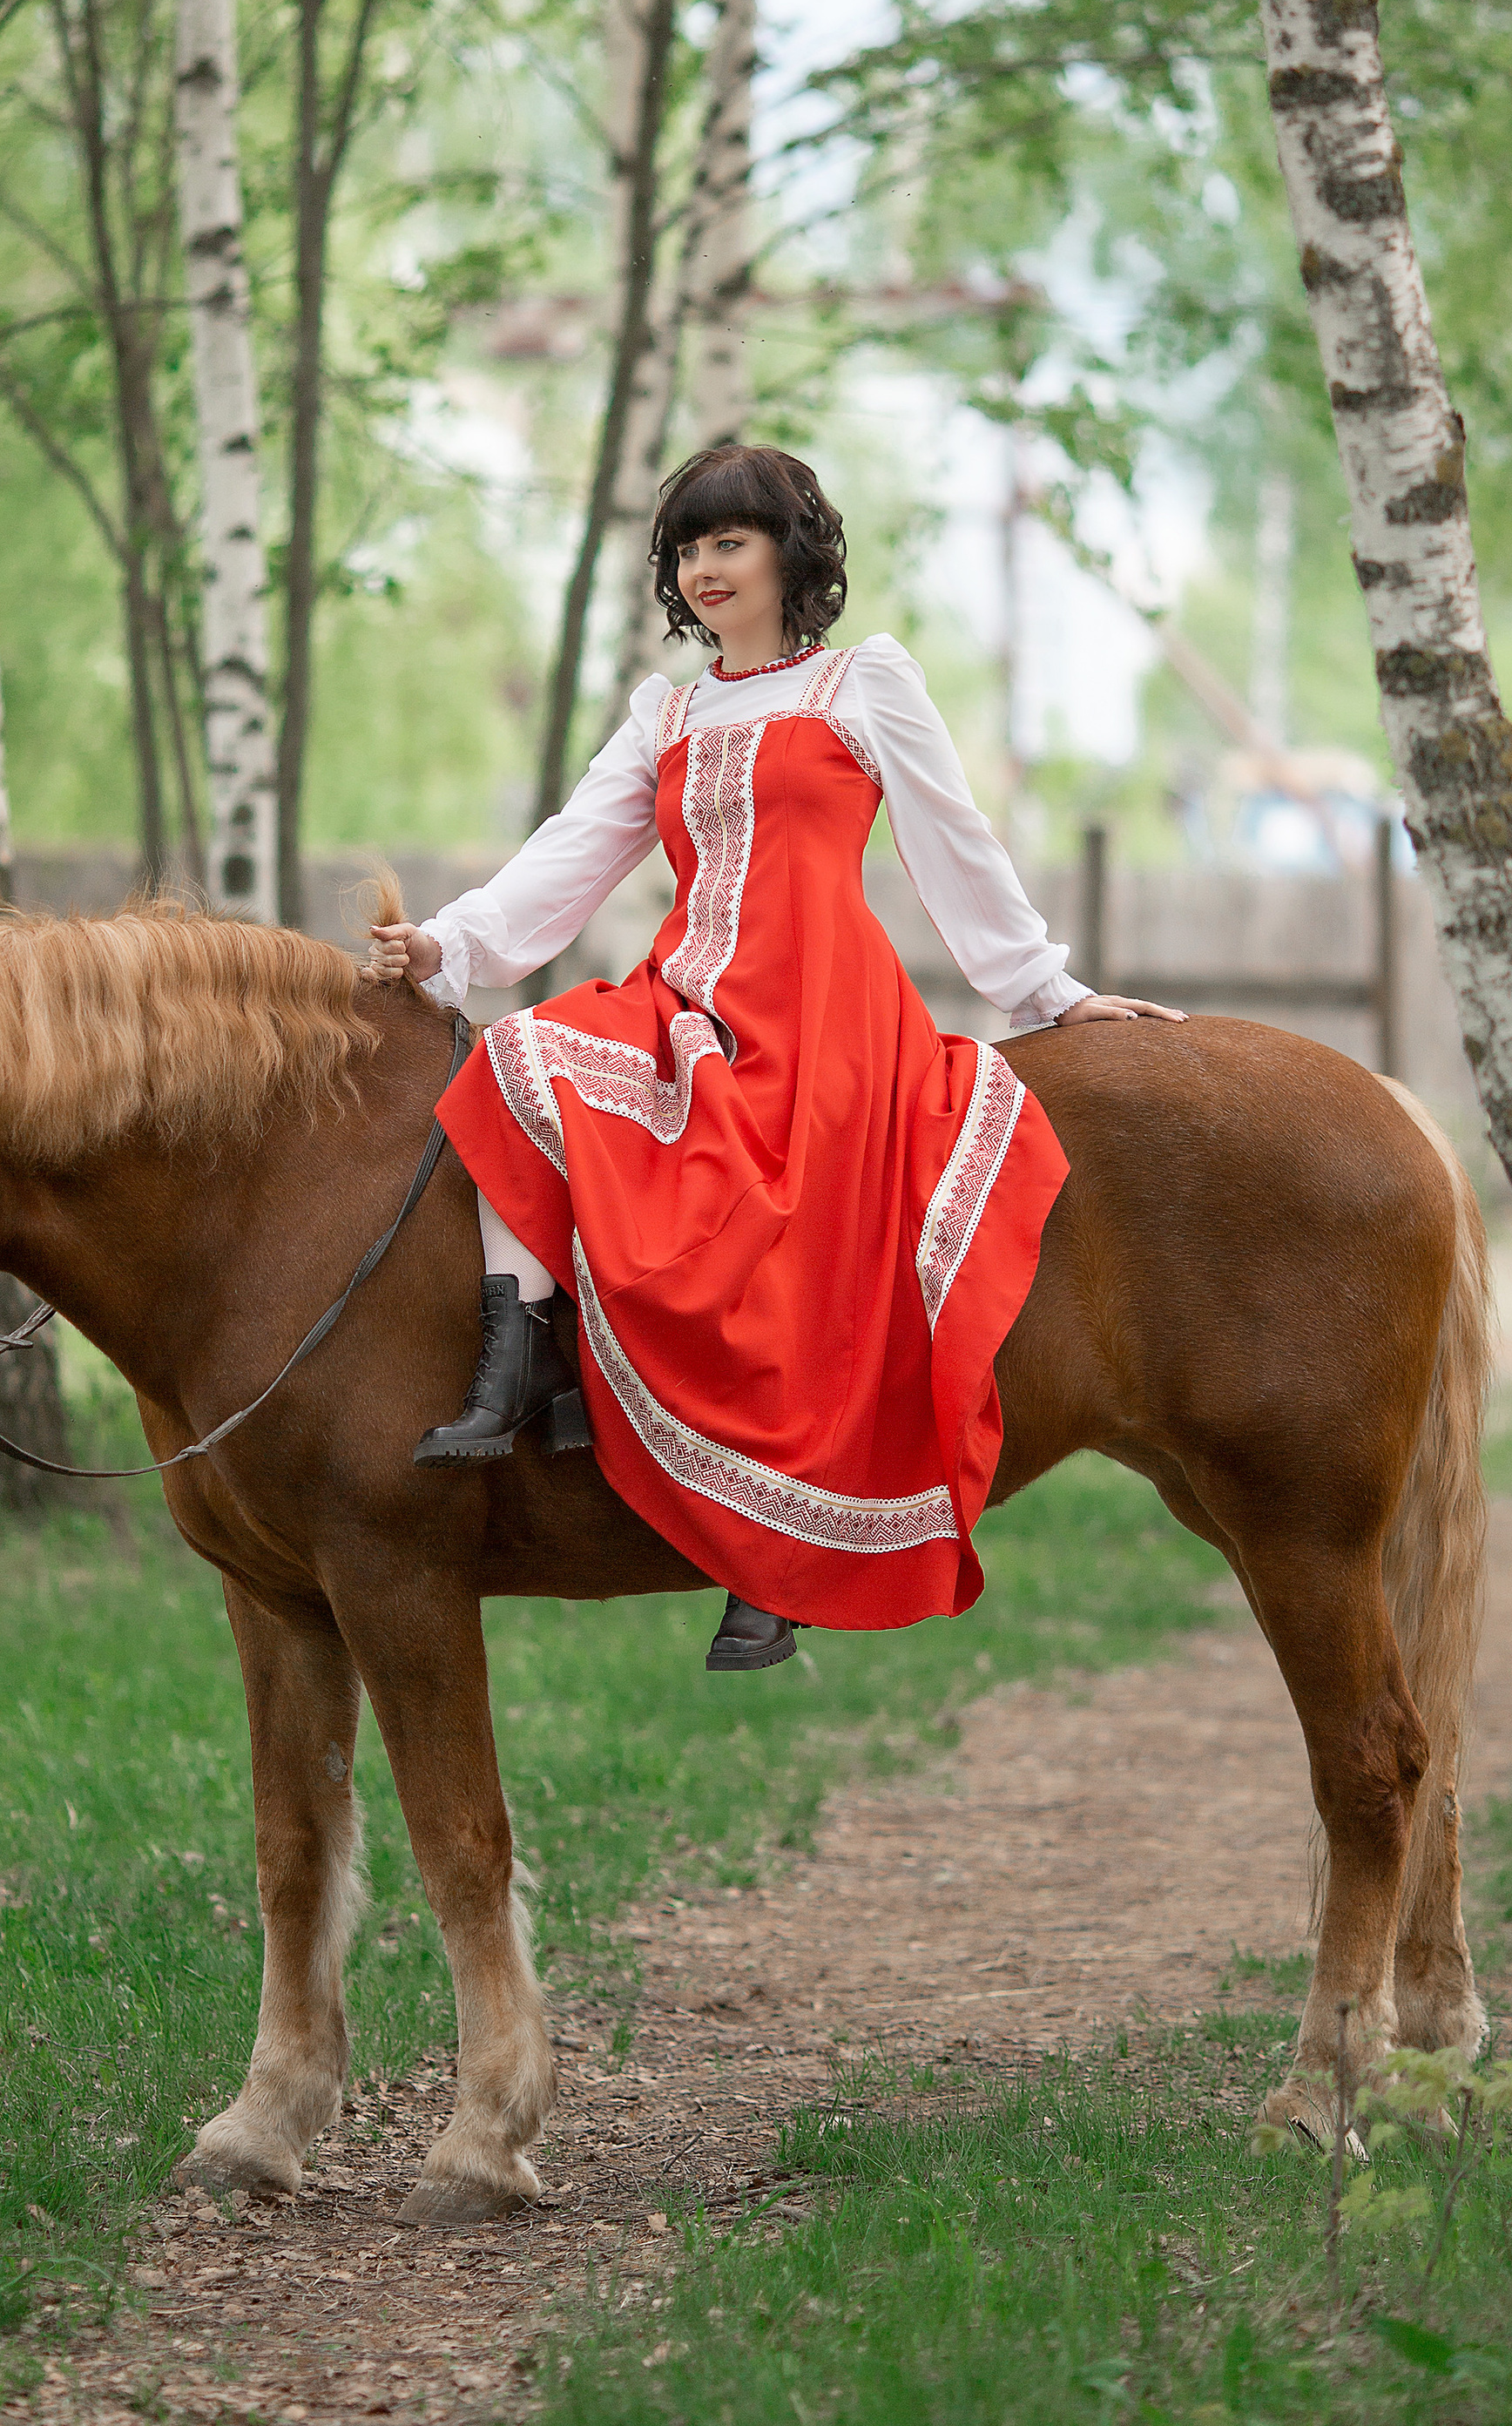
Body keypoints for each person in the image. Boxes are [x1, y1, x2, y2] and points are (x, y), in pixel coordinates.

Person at [366, 443, 1182, 1672]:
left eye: (729, 542)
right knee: (519, 1061)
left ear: (790, 554)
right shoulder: (669, 711)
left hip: (829, 1014)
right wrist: (449, 942)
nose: (704, 569)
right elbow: (571, 850)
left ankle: (777, 1562)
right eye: (688, 549)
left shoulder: (866, 684)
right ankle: (519, 1346)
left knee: (800, 1223)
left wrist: (1044, 992)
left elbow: (953, 843)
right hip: (689, 997)